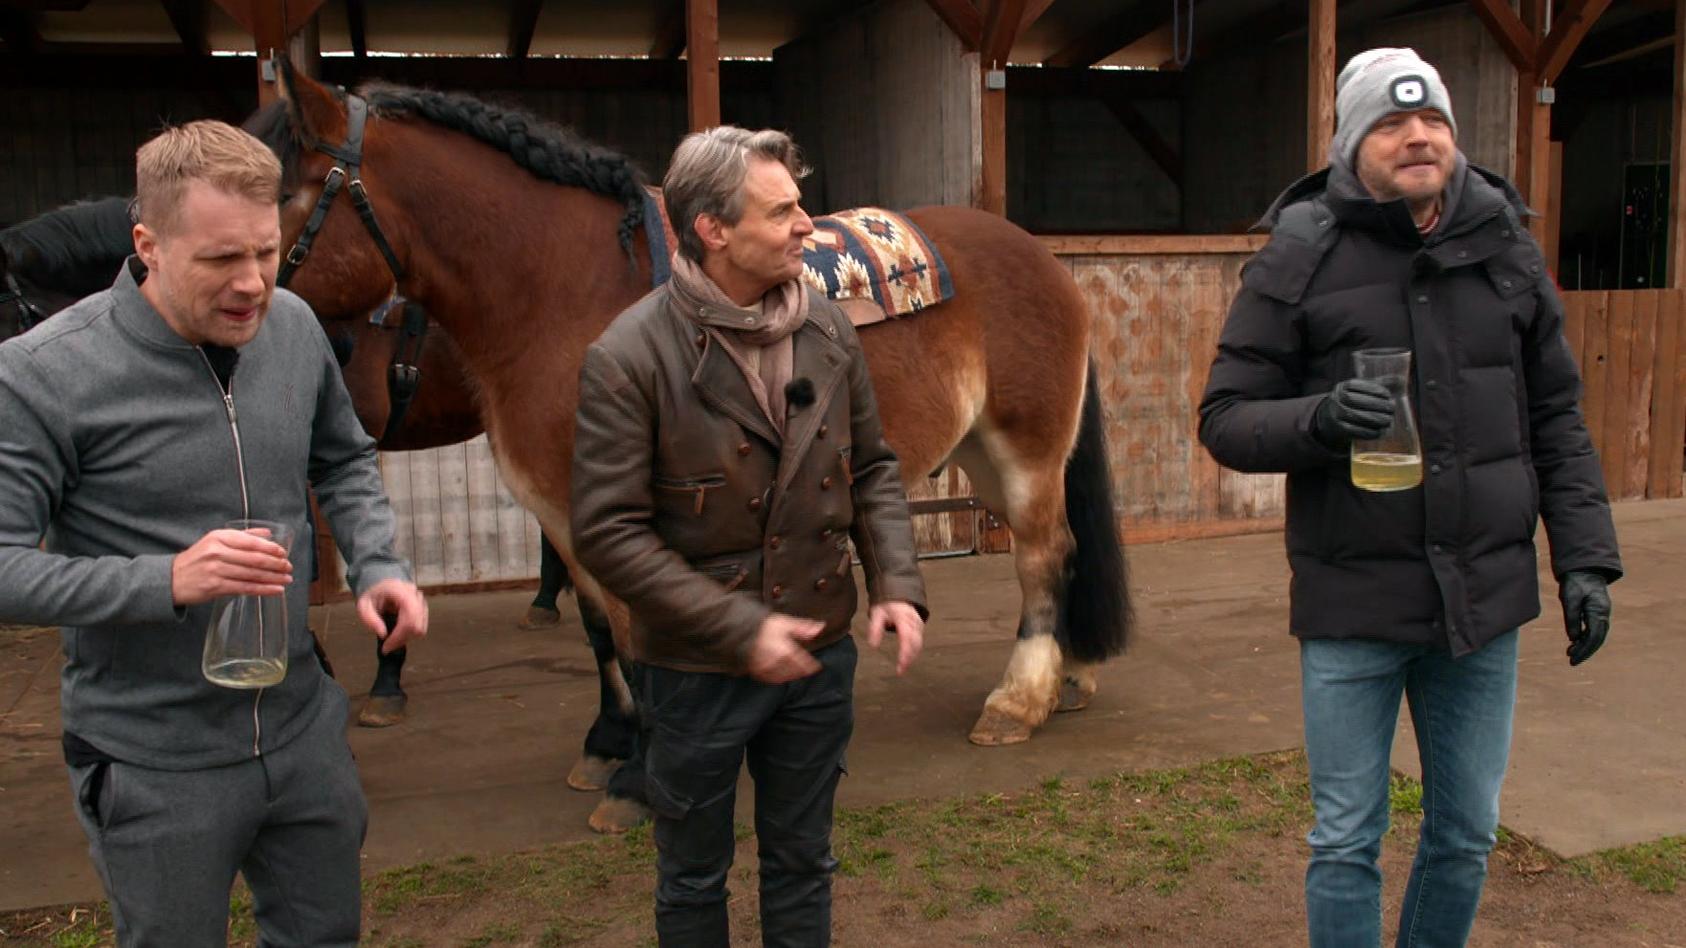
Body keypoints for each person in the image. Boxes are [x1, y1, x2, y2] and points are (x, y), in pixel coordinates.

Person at [1198, 48, 1621, 947]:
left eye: (1432, 120)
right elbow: (1226, 419)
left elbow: (1557, 419)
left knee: (1465, 834)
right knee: (1348, 839)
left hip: (1483, 605)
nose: (1418, 135)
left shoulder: (1506, 246)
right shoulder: (1302, 251)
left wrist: (1585, 559)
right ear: (1355, 144)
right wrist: (1320, 419)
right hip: (1354, 604)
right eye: (1391, 124)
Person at [0, 120, 427, 946]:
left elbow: (341, 458)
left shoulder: (295, 328)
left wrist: (379, 564)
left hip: (302, 733)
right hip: (153, 762)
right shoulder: (42, 373)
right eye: (221, 260)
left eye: (265, 253)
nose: (253, 285)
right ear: (147, 244)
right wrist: (165, 580)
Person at [570, 126, 927, 946]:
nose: (809, 224)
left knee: (804, 863)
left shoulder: (829, 330)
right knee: (693, 879)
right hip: (694, 672)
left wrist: (899, 587)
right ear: (713, 229)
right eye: (785, 210)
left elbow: (873, 468)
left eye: (801, 205)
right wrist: (743, 628)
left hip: (818, 654)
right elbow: (606, 532)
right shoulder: (628, 358)